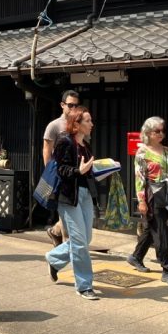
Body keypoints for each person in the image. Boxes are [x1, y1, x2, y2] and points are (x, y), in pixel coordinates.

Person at [127, 116, 168, 286]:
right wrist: (141, 201)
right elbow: (139, 178)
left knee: (152, 227)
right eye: (157, 131)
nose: (161, 133)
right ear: (148, 132)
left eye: (163, 130)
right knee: (160, 231)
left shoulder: (167, 151)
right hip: (152, 195)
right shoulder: (142, 153)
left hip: (167, 193)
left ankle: (136, 256)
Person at [45, 106, 99, 300]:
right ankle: (84, 286)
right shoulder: (64, 142)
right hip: (68, 197)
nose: (92, 124)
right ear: (77, 124)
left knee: (86, 238)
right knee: (79, 243)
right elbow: (61, 170)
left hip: (85, 195)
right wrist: (78, 171)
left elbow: (87, 171)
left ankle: (54, 258)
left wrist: (101, 169)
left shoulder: (85, 145)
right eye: (88, 121)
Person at [43, 89, 81, 247]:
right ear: (62, 105)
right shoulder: (54, 126)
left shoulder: (79, 124)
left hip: (76, 174)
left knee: (70, 214)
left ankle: (55, 231)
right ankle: (67, 248)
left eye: (76, 105)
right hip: (61, 174)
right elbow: (47, 149)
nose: (73, 108)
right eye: (70, 105)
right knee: (66, 214)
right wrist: (50, 175)